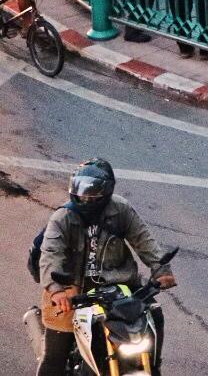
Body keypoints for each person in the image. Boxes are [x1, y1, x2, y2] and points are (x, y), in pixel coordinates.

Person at [33, 161, 176, 376]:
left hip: (118, 288)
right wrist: (57, 290)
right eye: (81, 191)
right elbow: (51, 254)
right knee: (55, 355)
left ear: (107, 190)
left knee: (153, 313)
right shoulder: (62, 217)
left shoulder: (121, 210)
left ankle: (152, 365)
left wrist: (161, 269)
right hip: (72, 289)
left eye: (91, 192)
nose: (85, 197)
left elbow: (144, 240)